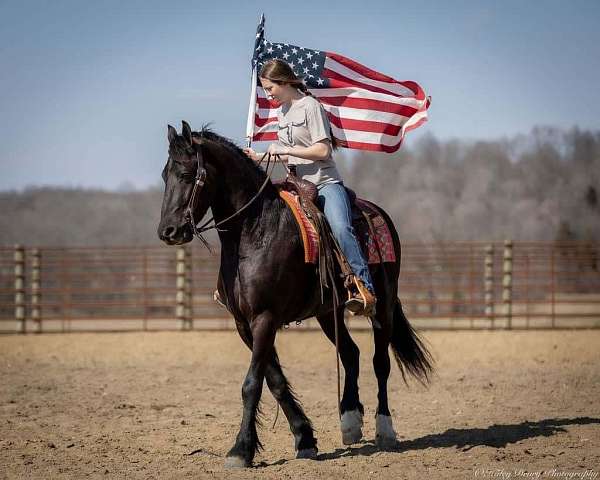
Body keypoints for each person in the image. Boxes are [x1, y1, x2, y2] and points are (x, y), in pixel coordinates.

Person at [243, 59, 376, 316]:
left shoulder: (311, 106)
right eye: (265, 88)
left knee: (340, 227)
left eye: (270, 87)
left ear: (284, 82)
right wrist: (258, 157)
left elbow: (323, 149)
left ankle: (363, 286)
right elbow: (285, 155)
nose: (267, 93)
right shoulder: (282, 113)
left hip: (324, 183)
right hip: (296, 184)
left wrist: (285, 149)